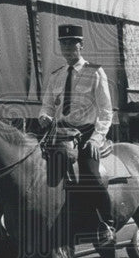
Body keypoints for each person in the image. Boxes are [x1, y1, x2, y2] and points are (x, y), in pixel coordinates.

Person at [38, 24, 115, 246]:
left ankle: (106, 224)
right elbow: (47, 106)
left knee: (91, 174)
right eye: (64, 43)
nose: (68, 47)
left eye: (73, 43)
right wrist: (44, 116)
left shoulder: (95, 72)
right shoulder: (57, 76)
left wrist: (95, 139)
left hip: (86, 134)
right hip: (59, 133)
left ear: (82, 45)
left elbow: (106, 110)